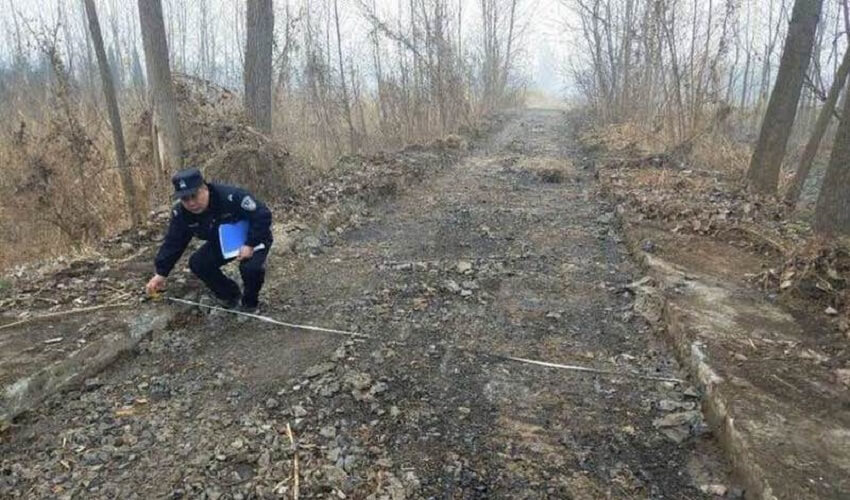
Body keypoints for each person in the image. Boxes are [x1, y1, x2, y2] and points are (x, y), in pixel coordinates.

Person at [145, 167, 273, 313]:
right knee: (198, 263)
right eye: (185, 199)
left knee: (250, 268)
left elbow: (262, 215)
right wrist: (161, 273)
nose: (191, 203)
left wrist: (250, 244)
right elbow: (174, 242)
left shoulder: (230, 196)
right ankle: (230, 296)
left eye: (194, 196)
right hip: (223, 243)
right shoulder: (181, 214)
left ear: (204, 189)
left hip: (254, 238)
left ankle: (250, 304)